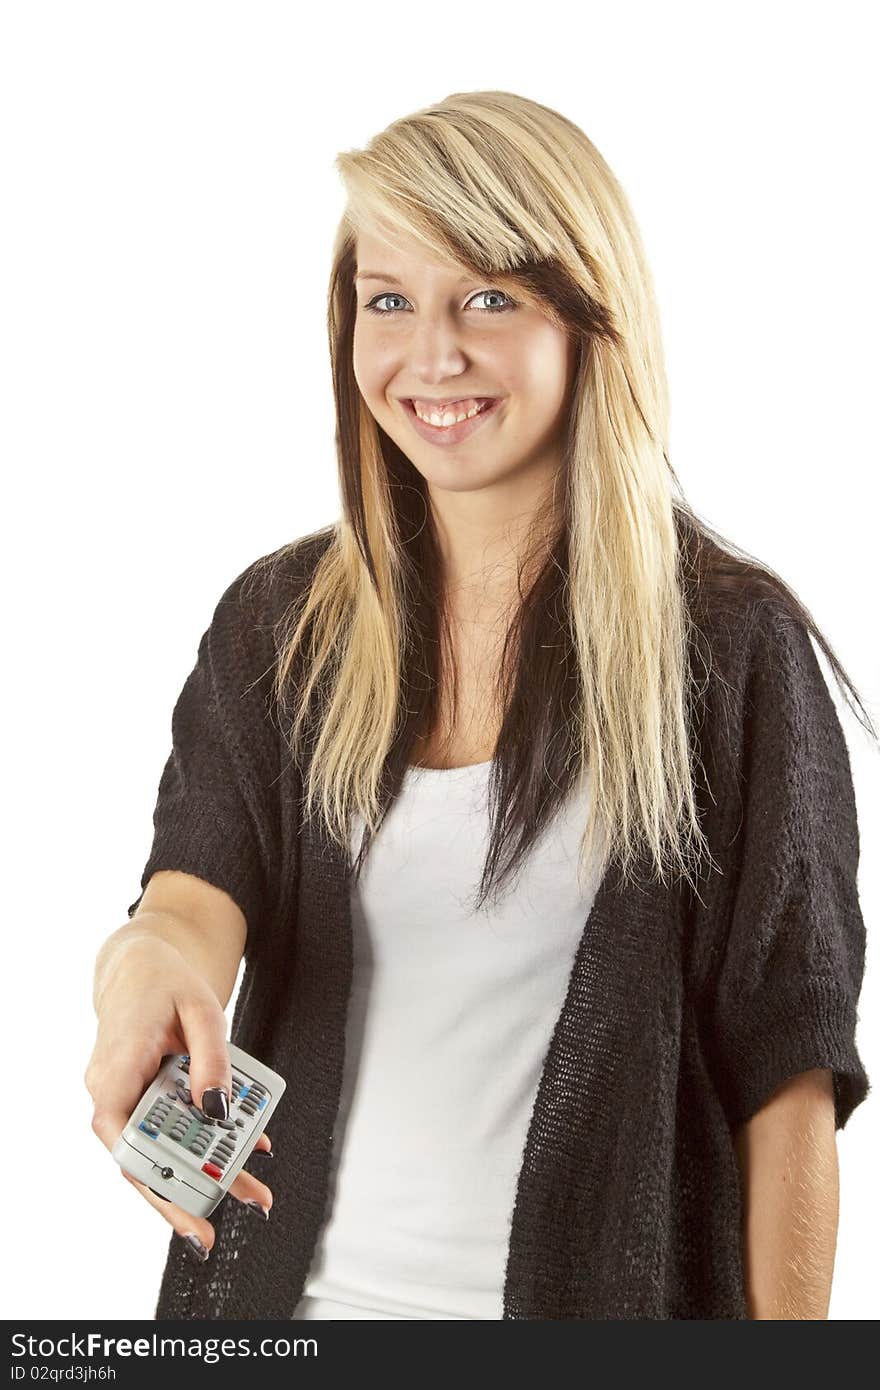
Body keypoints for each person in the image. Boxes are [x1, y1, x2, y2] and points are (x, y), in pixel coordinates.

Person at [86, 89, 873, 1320]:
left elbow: (789, 1078)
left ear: (585, 317)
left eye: (488, 298)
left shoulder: (729, 646)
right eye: (388, 298)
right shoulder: (279, 625)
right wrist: (142, 964)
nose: (430, 355)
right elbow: (194, 887)